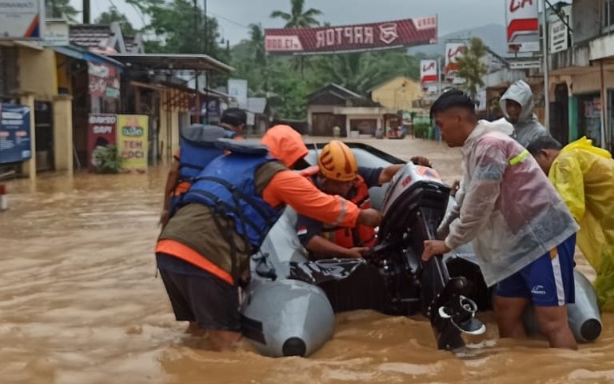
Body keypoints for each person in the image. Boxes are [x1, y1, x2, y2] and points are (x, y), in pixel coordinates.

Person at [154, 124, 383, 351]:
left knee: (197, 333)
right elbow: (320, 204)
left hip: (168, 248)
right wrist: (362, 215)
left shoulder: (224, 162)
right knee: (227, 347)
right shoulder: (277, 175)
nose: (295, 166)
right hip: (206, 256)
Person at [421, 91, 580, 349]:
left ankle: (564, 382)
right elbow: (464, 197)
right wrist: (439, 233)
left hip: (543, 240)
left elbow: (479, 203)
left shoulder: (490, 146)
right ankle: (520, 380)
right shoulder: (474, 150)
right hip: (516, 247)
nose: (440, 133)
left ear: (458, 119)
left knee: (551, 322)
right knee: (505, 311)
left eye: (441, 125)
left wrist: (449, 243)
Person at [527, 135, 614, 314]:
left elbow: (567, 211)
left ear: (544, 154)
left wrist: (558, 253)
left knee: (611, 281)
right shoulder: (580, 153)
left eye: (536, 166)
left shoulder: (563, 162)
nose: (540, 174)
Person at [294, 141, 430, 259]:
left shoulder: (354, 176)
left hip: (367, 251)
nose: (347, 186)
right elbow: (309, 239)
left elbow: (386, 173)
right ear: (324, 179)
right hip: (334, 261)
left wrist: (411, 167)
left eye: (350, 181)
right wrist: (346, 253)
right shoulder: (309, 195)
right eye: (341, 183)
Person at [160, 122, 244, 225]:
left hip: (181, 196)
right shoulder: (225, 148)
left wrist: (165, 208)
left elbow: (173, 172)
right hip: (212, 198)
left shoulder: (186, 146)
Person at [500, 80, 549, 148]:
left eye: (517, 105)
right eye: (509, 104)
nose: (512, 109)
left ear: (527, 107)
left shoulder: (538, 134)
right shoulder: (508, 129)